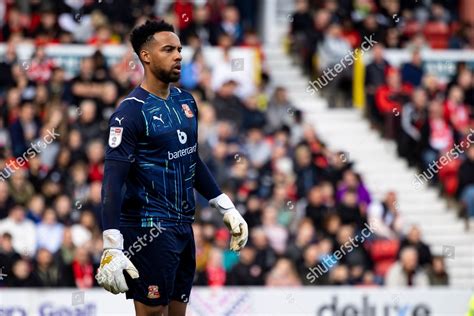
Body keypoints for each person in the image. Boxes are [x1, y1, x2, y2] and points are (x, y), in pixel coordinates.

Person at [95, 20, 248, 316]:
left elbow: (190, 157)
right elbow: (112, 181)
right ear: (146, 56)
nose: (178, 55)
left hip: (182, 227)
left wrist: (225, 206)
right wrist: (111, 243)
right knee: (153, 313)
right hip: (147, 227)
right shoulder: (130, 113)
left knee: (178, 313)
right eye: (168, 49)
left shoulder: (185, 101)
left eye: (179, 49)